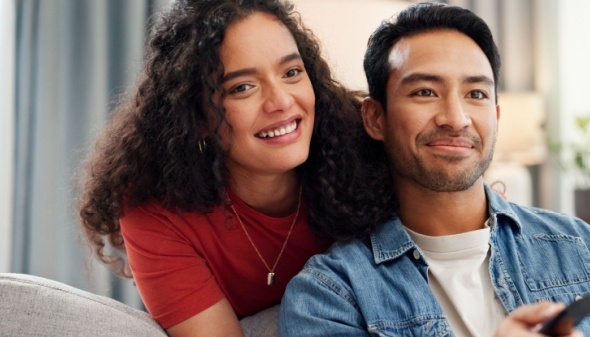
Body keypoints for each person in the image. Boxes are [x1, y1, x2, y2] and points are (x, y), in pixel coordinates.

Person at [278, 2, 590, 336]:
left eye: (476, 94)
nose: (456, 117)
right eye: (425, 92)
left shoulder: (589, 253)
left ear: (496, 116)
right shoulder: (330, 296)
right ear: (375, 118)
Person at [77, 0, 387, 336]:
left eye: (291, 73)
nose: (281, 101)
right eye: (242, 88)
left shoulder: (371, 150)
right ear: (197, 118)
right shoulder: (152, 210)